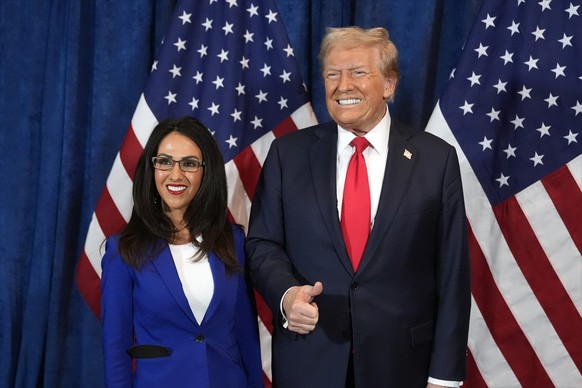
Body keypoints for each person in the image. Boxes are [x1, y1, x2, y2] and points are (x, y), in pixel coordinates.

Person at [246, 26, 471, 387]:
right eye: (332, 74)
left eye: (358, 73)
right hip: (310, 361)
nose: (343, 85)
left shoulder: (435, 160)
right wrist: (287, 296)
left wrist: (444, 377)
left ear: (389, 85)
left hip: (401, 366)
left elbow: (452, 271)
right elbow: (262, 244)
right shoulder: (287, 155)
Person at [101, 117, 264, 388]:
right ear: (151, 169)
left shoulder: (233, 240)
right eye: (164, 161)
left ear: (206, 171)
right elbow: (115, 351)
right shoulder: (124, 251)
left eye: (189, 164)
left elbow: (247, 337)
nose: (175, 175)